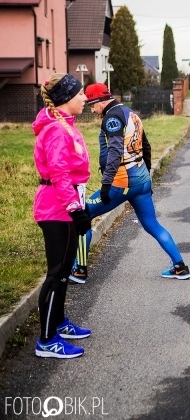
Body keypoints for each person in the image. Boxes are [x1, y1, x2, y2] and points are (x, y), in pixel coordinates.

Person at [70, 83, 190, 283]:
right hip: (141, 180)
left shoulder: (112, 118)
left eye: (92, 104)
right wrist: (147, 177)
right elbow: (147, 146)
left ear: (101, 101)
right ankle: (180, 266)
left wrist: (107, 185)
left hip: (122, 181)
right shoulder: (130, 113)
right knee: (152, 224)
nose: (91, 109)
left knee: (83, 215)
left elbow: (115, 152)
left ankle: (79, 270)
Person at [32, 73, 92, 358]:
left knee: (64, 272)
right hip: (56, 209)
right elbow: (59, 173)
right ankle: (46, 341)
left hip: (65, 205)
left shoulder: (65, 125)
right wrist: (74, 209)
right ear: (66, 99)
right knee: (56, 275)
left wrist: (80, 205)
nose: (84, 98)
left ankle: (58, 323)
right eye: (80, 93)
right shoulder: (56, 130)